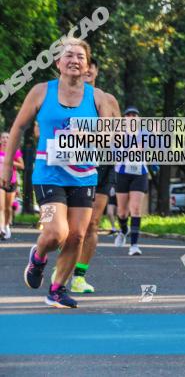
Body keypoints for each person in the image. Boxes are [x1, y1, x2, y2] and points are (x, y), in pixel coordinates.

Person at [1, 38, 116, 308]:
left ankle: (56, 290)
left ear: (87, 65)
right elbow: (18, 128)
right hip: (49, 173)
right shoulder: (41, 91)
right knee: (56, 233)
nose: (74, 60)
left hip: (84, 174)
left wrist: (87, 135)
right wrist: (6, 165)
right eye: (68, 56)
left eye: (80, 56)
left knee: (77, 235)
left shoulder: (98, 98)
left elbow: (111, 138)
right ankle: (38, 257)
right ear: (58, 63)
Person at [69, 58, 120, 292]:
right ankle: (62, 268)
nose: (87, 69)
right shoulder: (65, 99)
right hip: (73, 165)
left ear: (97, 71)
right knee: (72, 226)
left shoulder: (108, 99)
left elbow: (118, 134)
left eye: (91, 66)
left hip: (103, 165)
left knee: (93, 223)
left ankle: (79, 276)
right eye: (84, 65)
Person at [113, 106, 147, 255]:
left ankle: (134, 245)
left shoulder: (144, 133)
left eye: (135, 115)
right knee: (122, 212)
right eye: (128, 115)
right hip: (122, 172)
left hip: (139, 172)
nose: (132, 117)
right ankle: (123, 230)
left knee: (135, 209)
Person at [0, 131, 25, 239]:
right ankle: (1, 228)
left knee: (8, 208)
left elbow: (22, 166)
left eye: (7, 137)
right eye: (3, 137)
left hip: (11, 182)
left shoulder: (14, 151)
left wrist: (9, 161)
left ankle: (6, 225)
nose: (5, 139)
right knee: (0, 206)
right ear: (0, 140)